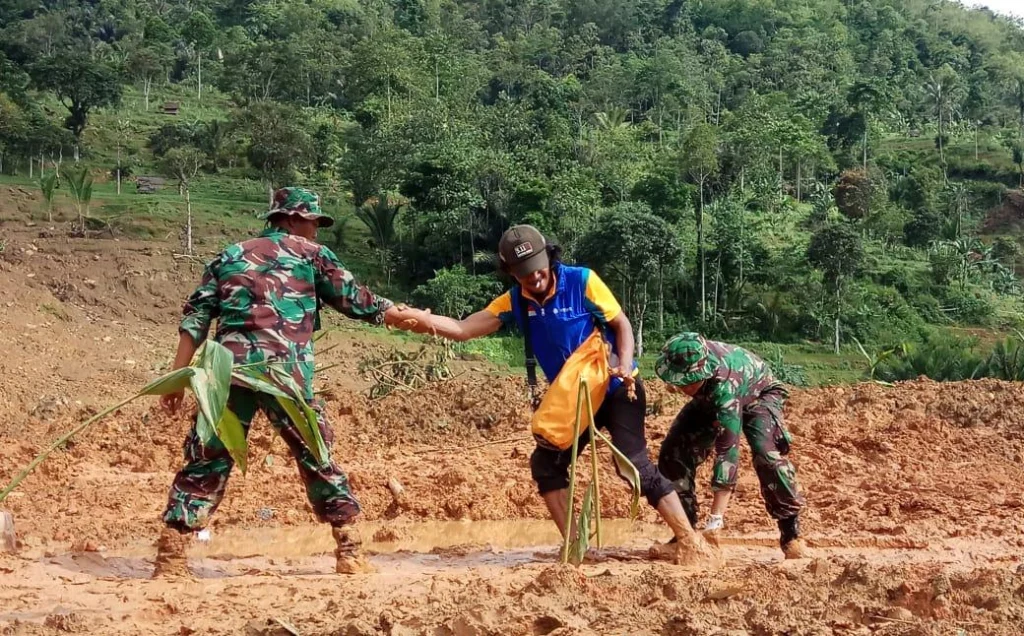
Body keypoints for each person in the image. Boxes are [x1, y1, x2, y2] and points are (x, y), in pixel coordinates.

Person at [153, 186, 432, 578]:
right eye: (313, 222)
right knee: (316, 455)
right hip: (285, 375)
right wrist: (401, 314)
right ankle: (349, 552)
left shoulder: (229, 255)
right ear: (293, 219)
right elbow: (356, 300)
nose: (316, 230)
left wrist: (177, 379)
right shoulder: (312, 255)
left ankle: (171, 559)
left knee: (206, 460)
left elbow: (196, 318)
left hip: (227, 373)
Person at [414, 224, 711, 562]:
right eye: (524, 273)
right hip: (572, 398)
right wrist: (418, 319)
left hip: (614, 386)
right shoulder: (514, 302)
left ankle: (690, 540)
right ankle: (575, 547)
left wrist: (626, 365)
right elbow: (465, 328)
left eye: (538, 268)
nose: (534, 277)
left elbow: (621, 324)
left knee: (632, 464)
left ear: (549, 257)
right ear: (511, 272)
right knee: (545, 463)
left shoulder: (582, 281)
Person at [654, 332, 808, 559]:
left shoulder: (724, 386)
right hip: (711, 396)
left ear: (703, 373)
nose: (682, 387)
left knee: (766, 455)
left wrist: (716, 519)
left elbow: (727, 451)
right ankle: (685, 534)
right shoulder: (695, 366)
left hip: (759, 395)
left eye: (688, 381)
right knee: (672, 452)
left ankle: (791, 534)